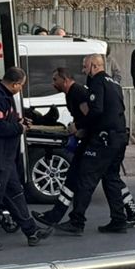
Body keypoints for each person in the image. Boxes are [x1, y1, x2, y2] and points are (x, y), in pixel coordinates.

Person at [0, 66, 52, 251]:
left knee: (16, 195)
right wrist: (19, 128)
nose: (21, 89)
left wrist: (19, 122)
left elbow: (7, 121)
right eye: (21, 86)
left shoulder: (5, 96)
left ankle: (32, 231)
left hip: (5, 159)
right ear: (15, 84)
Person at [62, 54, 134, 234]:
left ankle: (77, 221)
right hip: (119, 137)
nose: (83, 70)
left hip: (104, 139)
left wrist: (78, 126)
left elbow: (96, 110)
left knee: (86, 177)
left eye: (85, 66)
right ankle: (119, 219)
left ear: (94, 66)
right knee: (111, 178)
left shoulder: (97, 83)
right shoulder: (114, 83)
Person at [32, 67, 91, 231]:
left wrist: (78, 128)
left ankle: (75, 221)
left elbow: (90, 116)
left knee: (84, 182)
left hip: (92, 143)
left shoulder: (77, 92)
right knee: (75, 179)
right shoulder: (70, 94)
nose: (53, 83)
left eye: (55, 80)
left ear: (65, 80)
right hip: (86, 141)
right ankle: (55, 216)